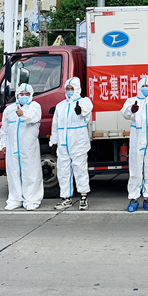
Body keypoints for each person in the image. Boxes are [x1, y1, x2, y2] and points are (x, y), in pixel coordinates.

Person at [50, 77, 93, 211]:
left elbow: (86, 112)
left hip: (78, 143)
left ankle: (83, 197)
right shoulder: (60, 106)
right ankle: (66, 198)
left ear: (77, 89)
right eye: (67, 89)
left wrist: (80, 110)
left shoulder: (84, 101)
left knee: (80, 170)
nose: (69, 91)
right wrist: (54, 141)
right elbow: (55, 125)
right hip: (63, 145)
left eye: (72, 89)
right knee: (63, 172)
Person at [0, 83, 43, 211]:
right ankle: (15, 199)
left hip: (28, 147)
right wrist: (3, 144)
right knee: (13, 173)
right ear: (17, 95)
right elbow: (4, 129)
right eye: (21, 94)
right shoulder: (9, 110)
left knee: (31, 172)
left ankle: (32, 200)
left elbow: (33, 118)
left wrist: (22, 114)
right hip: (13, 147)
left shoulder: (34, 107)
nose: (24, 96)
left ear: (31, 95)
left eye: (27, 94)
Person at [121, 77, 148, 212]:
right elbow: (125, 113)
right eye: (143, 86)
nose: (145, 88)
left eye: (147, 86)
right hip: (137, 138)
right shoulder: (132, 101)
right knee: (135, 168)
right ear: (139, 87)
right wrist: (131, 110)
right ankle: (133, 198)